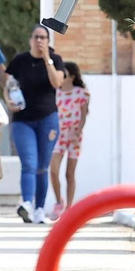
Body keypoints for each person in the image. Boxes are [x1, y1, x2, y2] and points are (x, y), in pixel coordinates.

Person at [6, 25, 66, 223]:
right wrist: (8, 100)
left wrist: (47, 59)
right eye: (36, 37)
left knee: (42, 166)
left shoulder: (55, 60)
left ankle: (40, 208)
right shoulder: (20, 61)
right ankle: (27, 204)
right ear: (30, 39)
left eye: (43, 38)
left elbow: (57, 83)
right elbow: (8, 84)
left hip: (47, 118)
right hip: (23, 120)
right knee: (29, 163)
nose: (39, 41)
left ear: (48, 41)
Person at [48, 62, 90, 221]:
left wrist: (77, 131)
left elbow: (84, 115)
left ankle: (69, 208)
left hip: (74, 135)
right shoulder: (56, 93)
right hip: (59, 134)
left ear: (71, 76)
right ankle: (59, 201)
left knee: (69, 173)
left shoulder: (81, 93)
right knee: (53, 169)